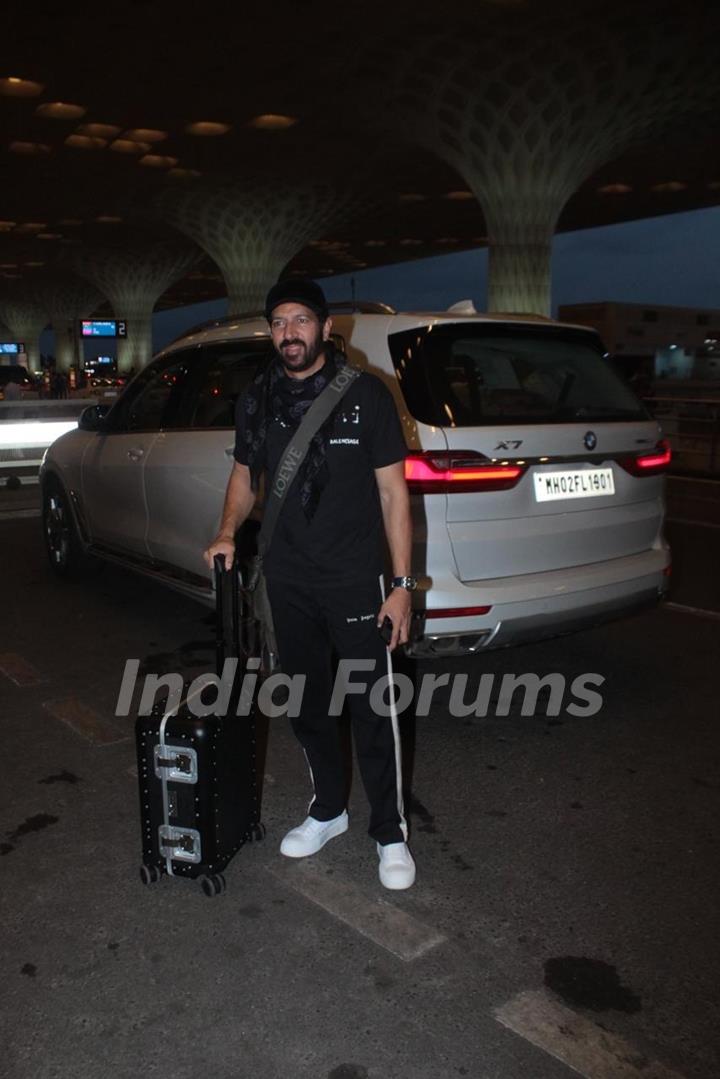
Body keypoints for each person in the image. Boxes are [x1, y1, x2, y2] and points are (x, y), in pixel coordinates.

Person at [204, 277, 416, 890]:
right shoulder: (257, 399)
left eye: (300, 320)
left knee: (372, 705)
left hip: (355, 577)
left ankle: (390, 831)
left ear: (326, 328)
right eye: (278, 322)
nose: (289, 333)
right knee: (306, 700)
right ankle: (328, 809)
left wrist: (400, 584)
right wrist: (226, 532)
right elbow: (246, 476)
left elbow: (392, 493)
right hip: (288, 578)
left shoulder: (367, 397)